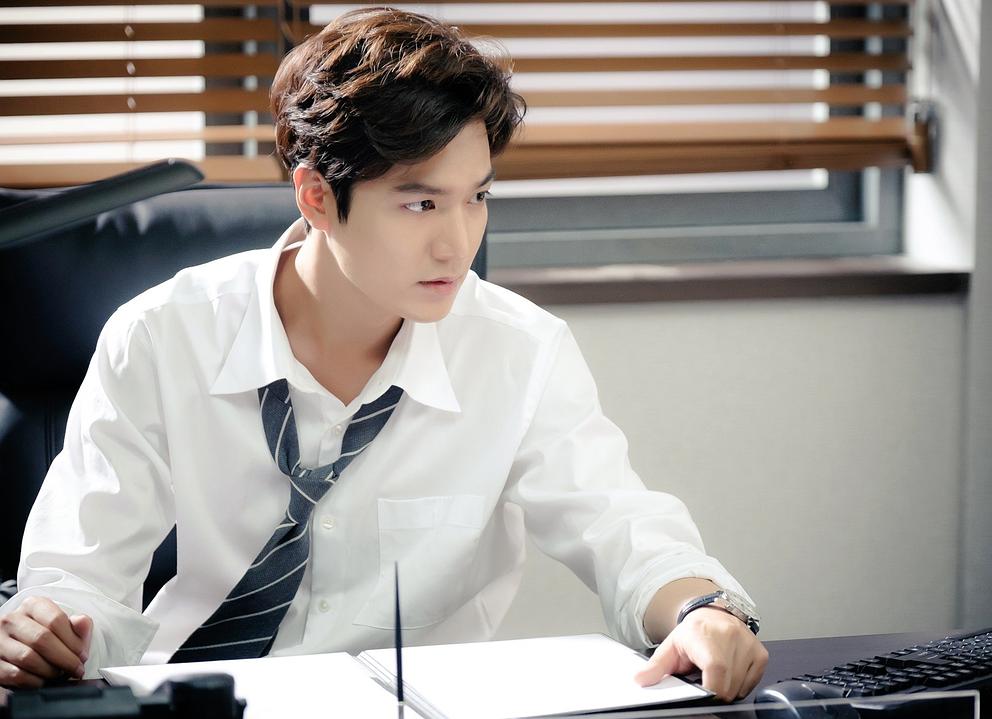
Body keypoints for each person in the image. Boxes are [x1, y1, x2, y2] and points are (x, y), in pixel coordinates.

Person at [0, 7, 767, 702]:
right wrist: (50, 631)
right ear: (316, 196)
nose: (457, 243)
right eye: (421, 202)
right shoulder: (161, 335)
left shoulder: (519, 351)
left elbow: (621, 525)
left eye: (477, 197)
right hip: (202, 700)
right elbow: (78, 575)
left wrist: (702, 609)